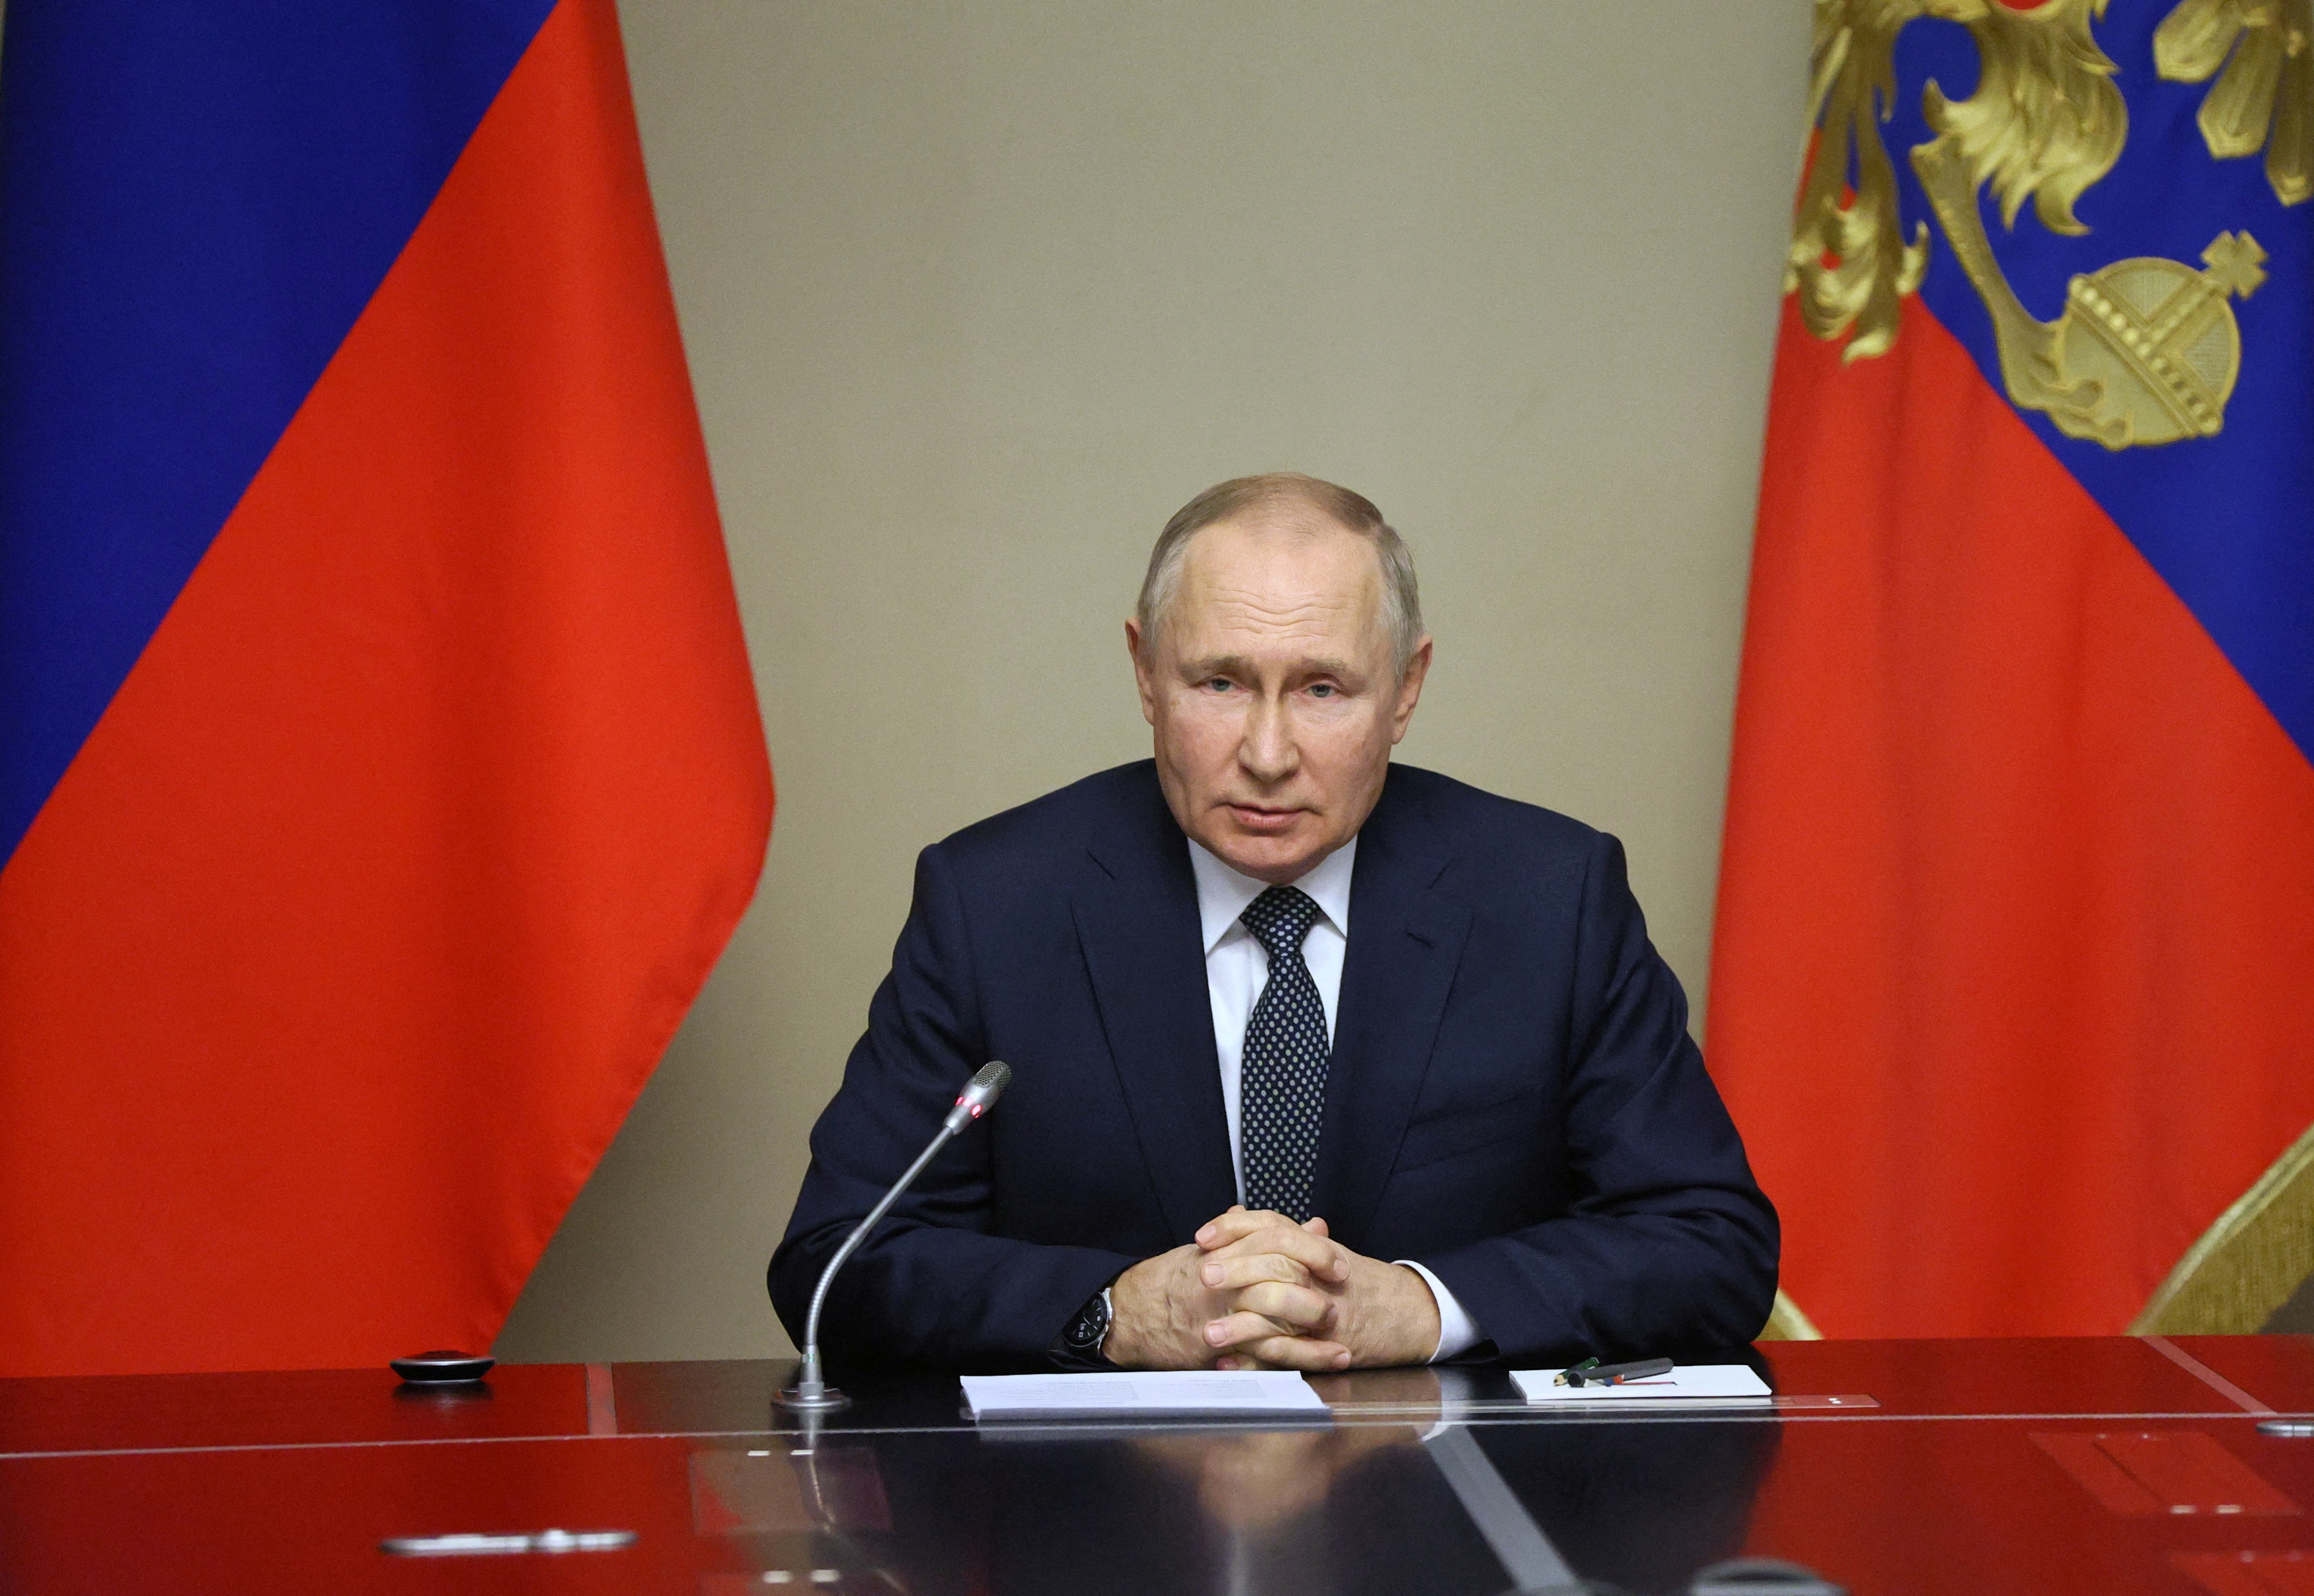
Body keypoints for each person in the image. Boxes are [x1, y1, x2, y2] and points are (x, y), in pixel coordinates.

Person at [770, 473, 1776, 1372]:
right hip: (1096, 1497)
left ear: (1406, 689)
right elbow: (838, 1262)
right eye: (1219, 683)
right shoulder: (996, 901)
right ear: (1145, 672)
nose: (1266, 753)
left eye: (1322, 689)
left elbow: (1711, 1244)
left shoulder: (1549, 897)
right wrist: (1115, 1312)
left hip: (1447, 1491)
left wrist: (1424, 1307)